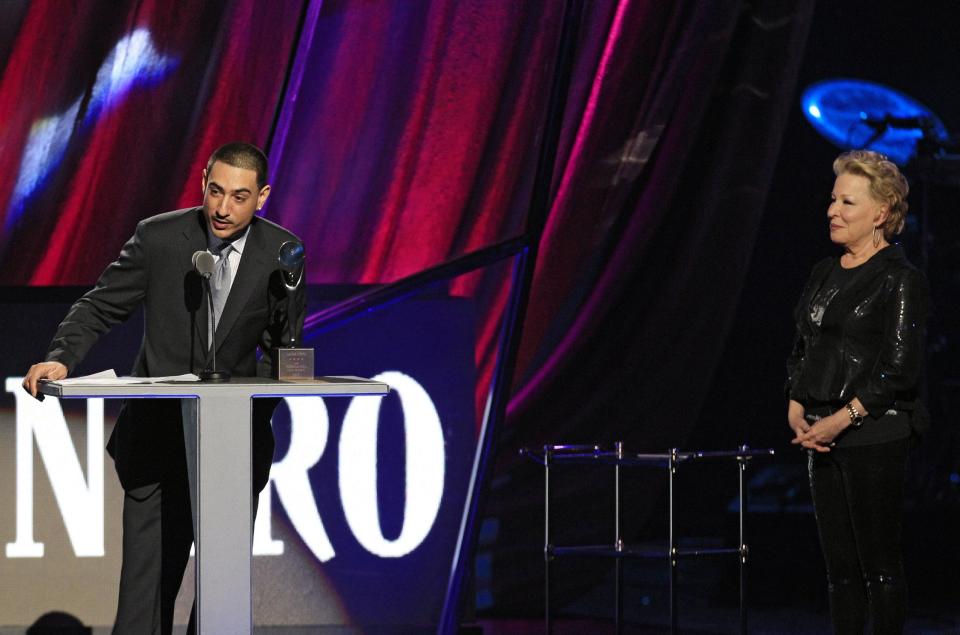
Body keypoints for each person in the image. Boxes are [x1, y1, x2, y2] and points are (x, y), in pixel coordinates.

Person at [22, 142, 305, 634]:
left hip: (232, 445)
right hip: (157, 439)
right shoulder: (160, 237)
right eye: (215, 192)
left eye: (239, 197)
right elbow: (100, 305)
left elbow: (286, 352)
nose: (222, 208)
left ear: (262, 197)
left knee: (222, 595)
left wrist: (264, 386)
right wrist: (61, 356)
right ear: (202, 182)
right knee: (145, 594)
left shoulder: (281, 253)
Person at [785, 149, 929, 634]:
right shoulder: (824, 272)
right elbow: (805, 344)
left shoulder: (900, 279)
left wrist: (843, 417)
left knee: (878, 567)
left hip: (873, 434)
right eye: (832, 200)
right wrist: (796, 404)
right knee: (839, 572)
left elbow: (898, 370)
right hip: (821, 433)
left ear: (881, 213)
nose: (832, 211)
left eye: (847, 202)